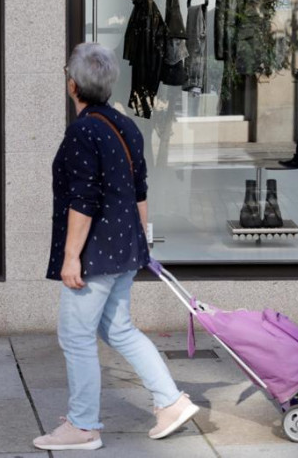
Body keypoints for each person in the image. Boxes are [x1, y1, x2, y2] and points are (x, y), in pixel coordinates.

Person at [33, 42, 200, 452]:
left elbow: (83, 201)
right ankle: (171, 402)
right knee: (117, 328)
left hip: (96, 254)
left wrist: (72, 258)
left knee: (75, 335)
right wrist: (142, 244)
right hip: (124, 247)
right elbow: (139, 189)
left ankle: (83, 425)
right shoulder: (125, 125)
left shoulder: (82, 131)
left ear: (73, 85)